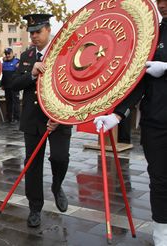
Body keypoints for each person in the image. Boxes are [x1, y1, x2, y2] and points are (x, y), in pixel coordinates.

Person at [93, 1, 167, 244]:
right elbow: (139, 80)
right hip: (156, 121)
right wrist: (117, 114)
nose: (163, 5)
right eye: (159, 1)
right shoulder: (153, 34)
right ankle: (161, 233)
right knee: (159, 179)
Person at [12, 14, 71, 227]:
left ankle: (57, 186)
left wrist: (58, 115)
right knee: (33, 164)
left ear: (48, 29)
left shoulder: (64, 52)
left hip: (59, 118)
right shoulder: (27, 55)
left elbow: (71, 86)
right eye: (31, 32)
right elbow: (13, 84)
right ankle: (35, 207)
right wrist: (32, 74)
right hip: (33, 119)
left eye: (38, 31)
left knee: (60, 158)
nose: (34, 36)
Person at [1, 47, 20, 123]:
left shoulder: (17, 62)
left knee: (16, 102)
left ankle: (17, 118)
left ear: (12, 53)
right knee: (8, 102)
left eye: (9, 53)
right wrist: (2, 84)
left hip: (15, 86)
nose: (7, 55)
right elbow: (4, 75)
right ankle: (9, 117)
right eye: (6, 54)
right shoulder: (4, 63)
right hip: (7, 86)